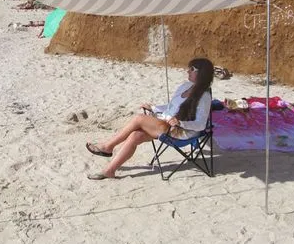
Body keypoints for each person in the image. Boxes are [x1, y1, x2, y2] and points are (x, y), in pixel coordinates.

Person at [85, 58, 214, 180]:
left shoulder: (205, 97)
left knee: (139, 118)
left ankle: (108, 147)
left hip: (181, 131)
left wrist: (180, 122)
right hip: (166, 123)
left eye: (192, 69)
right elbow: (171, 107)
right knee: (135, 135)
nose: (188, 71)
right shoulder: (186, 86)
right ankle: (110, 170)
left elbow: (201, 125)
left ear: (201, 73)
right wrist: (153, 108)